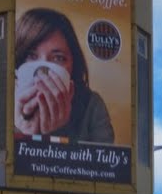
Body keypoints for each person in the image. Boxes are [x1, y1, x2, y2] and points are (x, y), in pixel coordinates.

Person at [14, 8, 114, 143]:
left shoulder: (92, 107)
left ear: (73, 65)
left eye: (58, 58)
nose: (43, 70)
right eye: (31, 56)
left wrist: (59, 134)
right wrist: (22, 133)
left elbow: (107, 162)